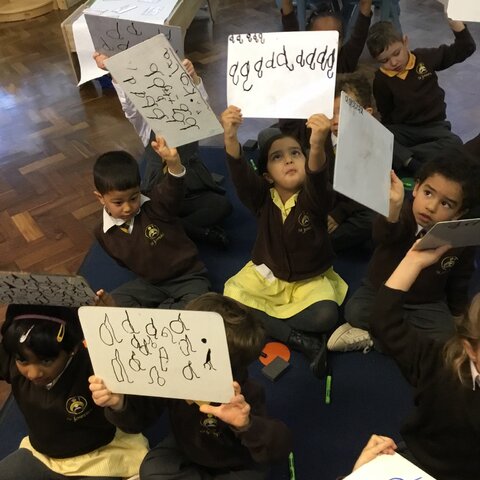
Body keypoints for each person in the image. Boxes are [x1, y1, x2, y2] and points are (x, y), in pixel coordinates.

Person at [89, 292, 293, 480]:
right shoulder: (173, 375)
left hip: (235, 463)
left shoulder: (247, 392)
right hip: (188, 449)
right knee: (151, 468)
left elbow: (278, 449)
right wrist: (120, 403)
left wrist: (246, 425)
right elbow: (138, 421)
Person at [221, 106, 348, 378]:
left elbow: (319, 179)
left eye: (295, 153)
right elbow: (241, 176)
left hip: (308, 280)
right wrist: (230, 136)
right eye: (277, 157)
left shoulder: (313, 199)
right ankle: (298, 339)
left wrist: (317, 145)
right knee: (230, 298)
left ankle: (274, 325)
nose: (288, 160)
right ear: (267, 175)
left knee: (326, 315)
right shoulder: (262, 198)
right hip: (269, 277)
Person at [328, 148, 480, 352]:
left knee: (446, 338)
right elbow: (381, 235)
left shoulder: (459, 238)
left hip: (425, 302)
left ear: (459, 213)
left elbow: (460, 277)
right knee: (355, 311)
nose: (431, 207)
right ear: (416, 188)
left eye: (445, 204)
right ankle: (396, 337)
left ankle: (377, 336)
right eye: (428, 193)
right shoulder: (400, 213)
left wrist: (457, 314)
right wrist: (392, 213)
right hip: (380, 290)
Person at [93, 53, 232, 249]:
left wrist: (193, 79)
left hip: (190, 189)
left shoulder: (192, 117)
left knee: (221, 206)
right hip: (159, 193)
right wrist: (114, 72)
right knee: (147, 213)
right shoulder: (146, 124)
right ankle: (197, 233)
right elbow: (129, 107)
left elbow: (202, 106)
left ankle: (169, 232)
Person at [0, 303, 149, 480]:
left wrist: (119, 404)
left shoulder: (94, 367)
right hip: (42, 454)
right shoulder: (15, 357)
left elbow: (135, 420)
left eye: (46, 361)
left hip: (97, 455)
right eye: (23, 361)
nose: (33, 373)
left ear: (72, 349)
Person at [369, 243, 480, 479]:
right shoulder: (438, 363)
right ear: (470, 349)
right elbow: (384, 321)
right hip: (420, 460)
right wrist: (413, 262)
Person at [93, 136, 211, 308]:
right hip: (151, 284)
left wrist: (173, 164)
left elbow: (173, 190)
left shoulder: (155, 203)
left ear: (139, 188)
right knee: (116, 301)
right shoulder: (101, 231)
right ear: (100, 198)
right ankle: (168, 311)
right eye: (118, 203)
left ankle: (162, 313)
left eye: (133, 198)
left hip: (188, 276)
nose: (127, 208)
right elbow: (122, 262)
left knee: (199, 306)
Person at [366, 18, 476, 173]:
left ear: (405, 42)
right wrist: (387, 136)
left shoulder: (425, 58)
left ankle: (406, 160)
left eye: (396, 53)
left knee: (454, 143)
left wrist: (457, 26)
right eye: (385, 60)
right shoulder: (381, 80)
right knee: (378, 135)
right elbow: (386, 113)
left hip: (435, 126)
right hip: (406, 129)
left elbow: (466, 48)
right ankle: (410, 160)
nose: (394, 62)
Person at [280, 0, 373, 73]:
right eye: (320, 37)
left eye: (334, 38)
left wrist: (366, 5)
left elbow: (360, 31)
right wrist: (286, 4)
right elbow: (290, 27)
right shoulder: (300, 58)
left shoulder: (345, 60)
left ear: (342, 41)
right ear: (308, 38)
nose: (327, 44)